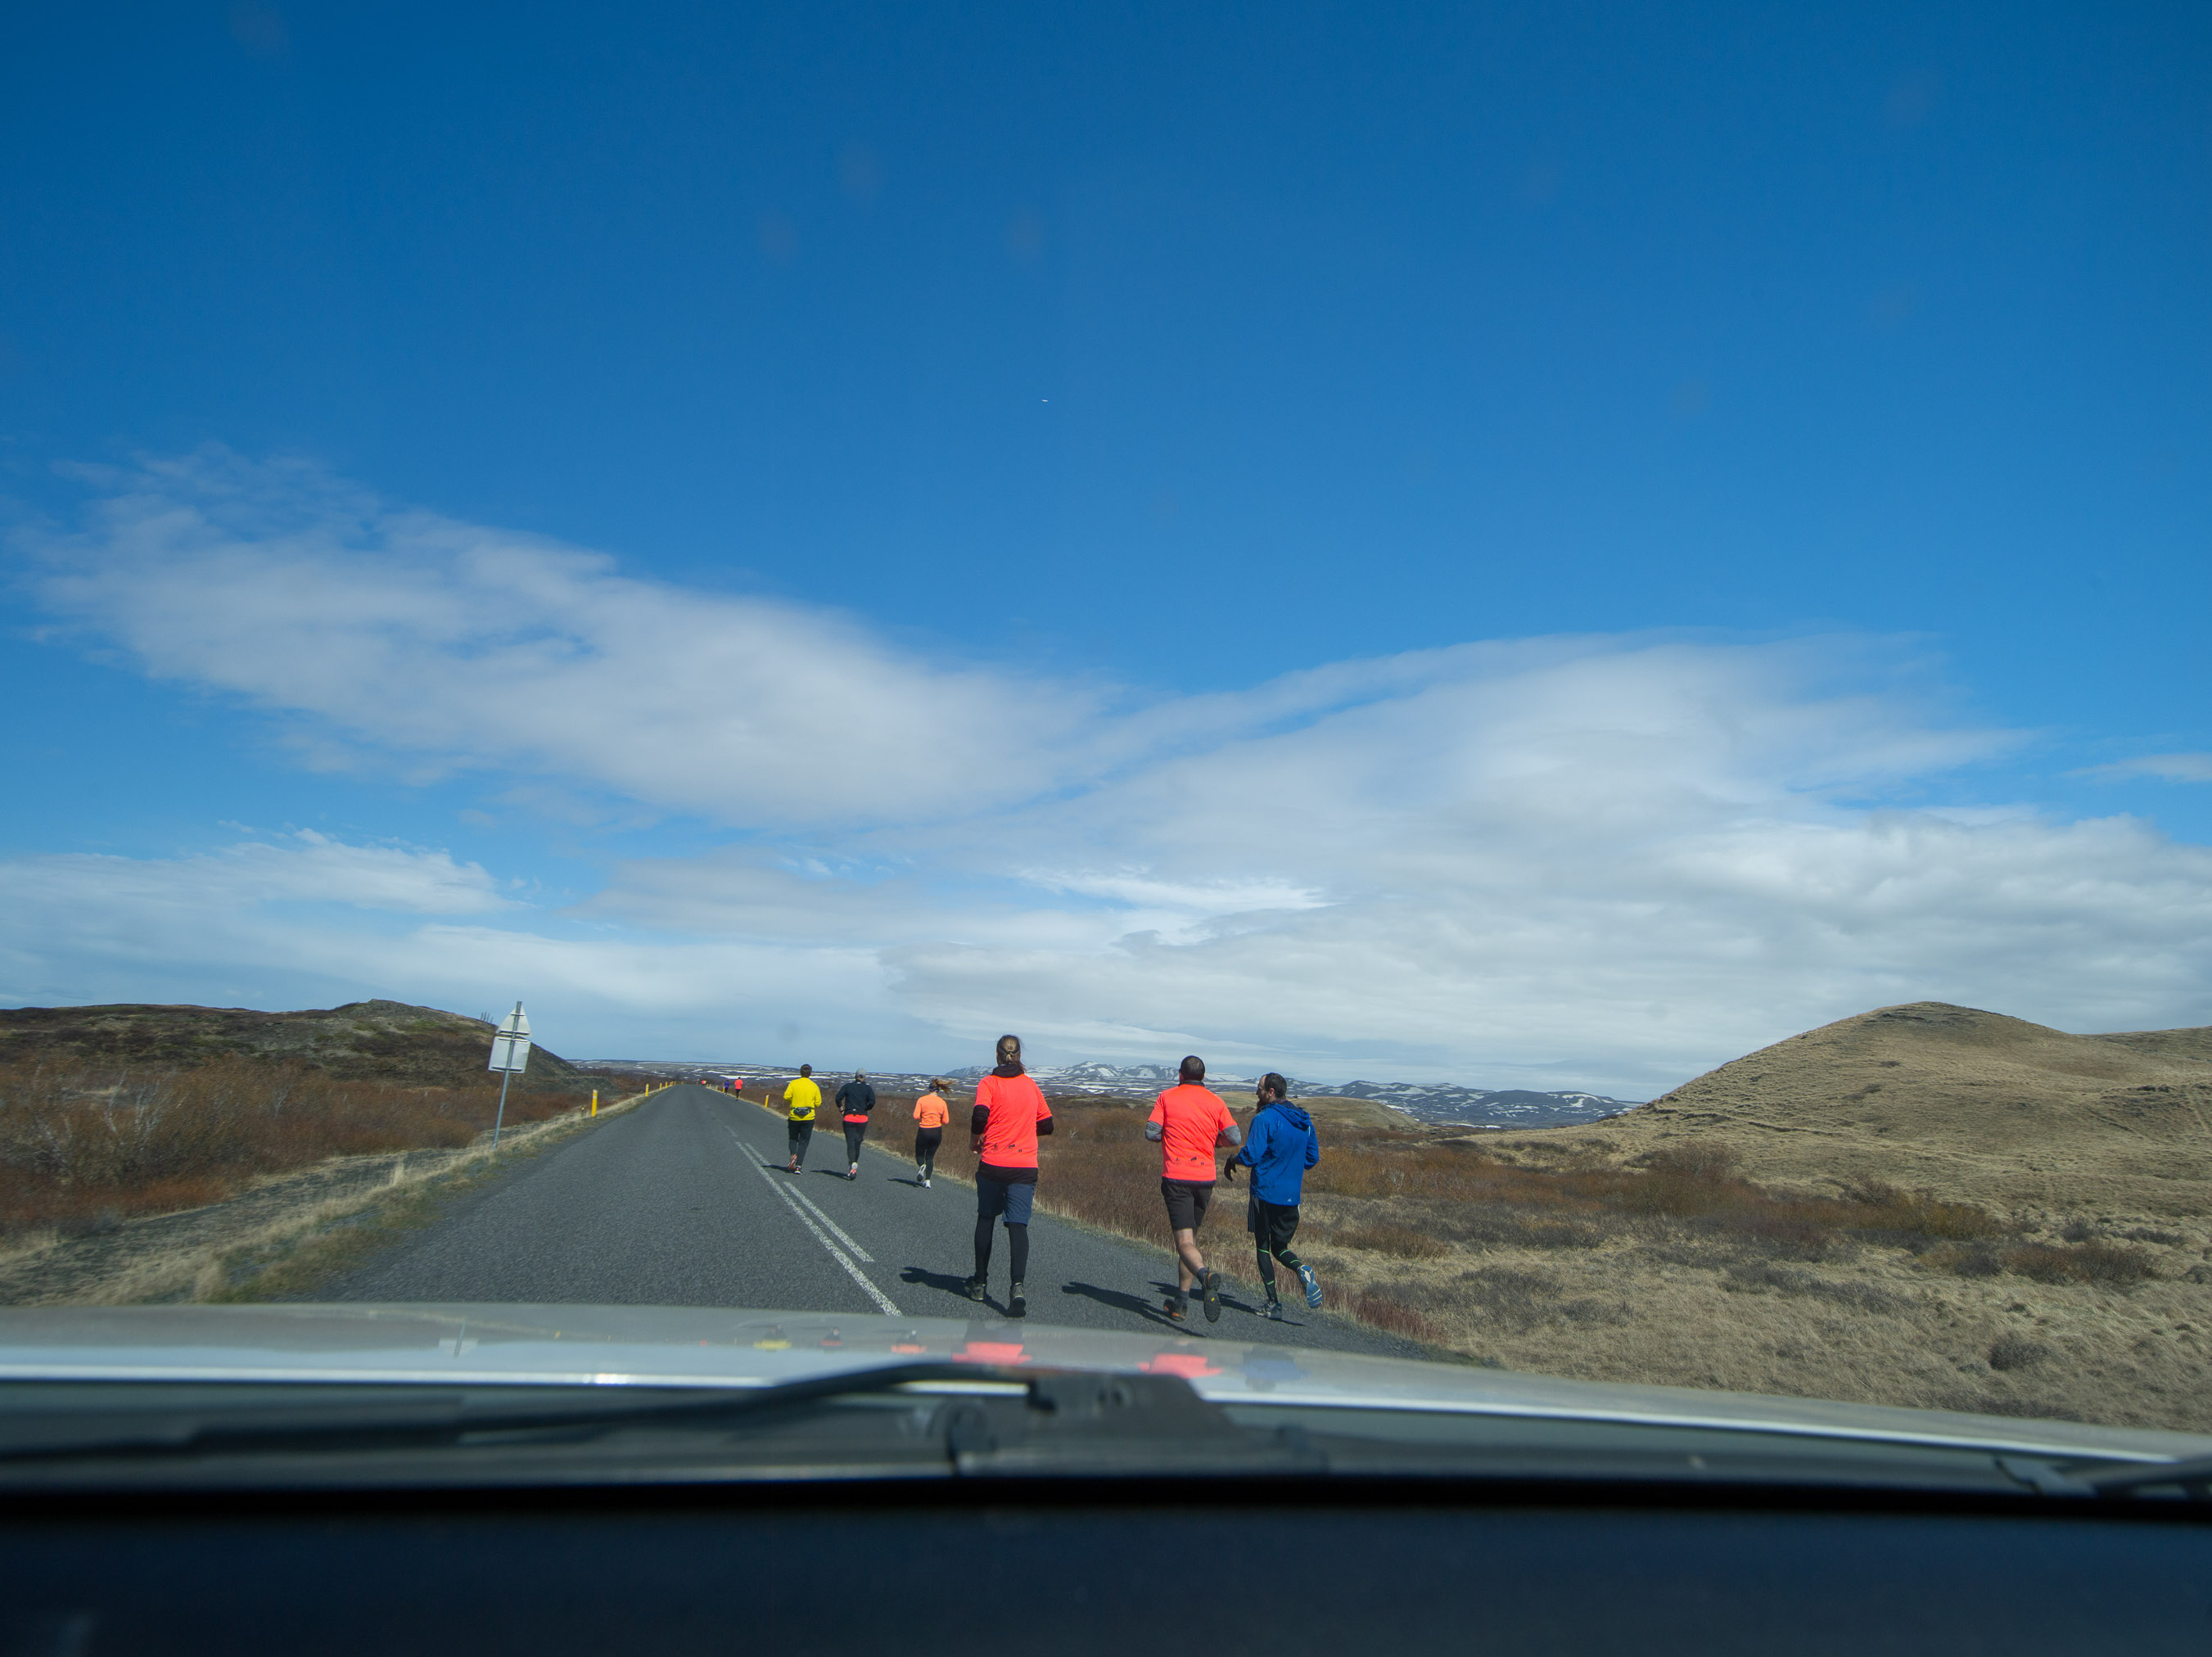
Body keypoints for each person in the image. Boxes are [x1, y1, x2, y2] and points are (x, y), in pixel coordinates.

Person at [1146, 1055, 1242, 1323]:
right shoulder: (1216, 1101)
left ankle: (1205, 1277)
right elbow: (1235, 1137)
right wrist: (1216, 1143)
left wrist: (1170, 1135)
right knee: (1190, 1241)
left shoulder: (1167, 1097)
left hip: (1177, 1177)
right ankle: (1181, 1303)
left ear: (1180, 1075)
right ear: (1203, 1076)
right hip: (1205, 1179)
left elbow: (1151, 1132)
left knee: (1184, 1243)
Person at [964, 1035, 1052, 1317]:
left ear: (997, 1055)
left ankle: (980, 1283)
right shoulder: (1031, 1086)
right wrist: (1023, 1129)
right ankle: (1017, 1287)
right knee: (1018, 1226)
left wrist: (975, 1139)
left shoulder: (988, 1084)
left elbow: (980, 1116)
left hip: (993, 1162)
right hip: (1024, 1166)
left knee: (986, 1219)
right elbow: (1047, 1125)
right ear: (1019, 1055)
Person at [1226, 1072, 1323, 1316]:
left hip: (1265, 1193)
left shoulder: (1264, 1119)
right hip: (1292, 1198)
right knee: (1279, 1248)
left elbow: (1251, 1155)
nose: (1256, 1092)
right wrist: (1290, 1165)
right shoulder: (1304, 1121)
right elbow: (1312, 1159)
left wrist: (1234, 1159)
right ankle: (1301, 1269)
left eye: (1259, 1089)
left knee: (1262, 1246)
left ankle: (1273, 1304)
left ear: (1270, 1092)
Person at [835, 1070, 877, 1181]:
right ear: (865, 1078)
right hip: (862, 1119)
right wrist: (865, 1109)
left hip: (849, 1117)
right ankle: (854, 1166)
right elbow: (872, 1102)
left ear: (855, 1076)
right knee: (857, 1142)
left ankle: (852, 1164)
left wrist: (841, 1109)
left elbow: (838, 1098)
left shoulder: (848, 1086)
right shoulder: (868, 1088)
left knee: (850, 1143)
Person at [912, 1079, 951, 1188]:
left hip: (924, 1130)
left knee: (919, 1155)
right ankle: (928, 1181)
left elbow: (916, 1116)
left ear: (929, 1089)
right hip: (937, 1132)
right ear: (938, 1090)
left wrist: (924, 1116)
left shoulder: (921, 1100)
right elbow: (946, 1121)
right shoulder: (942, 1102)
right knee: (930, 1157)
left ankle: (922, 1166)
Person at [782, 1064, 820, 1173]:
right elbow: (818, 1103)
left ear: (800, 1072)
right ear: (810, 1073)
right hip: (808, 1117)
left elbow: (786, 1096)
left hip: (794, 1116)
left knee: (793, 1139)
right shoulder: (814, 1086)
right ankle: (798, 1166)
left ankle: (793, 1154)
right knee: (804, 1142)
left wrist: (794, 1101)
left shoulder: (793, 1084)